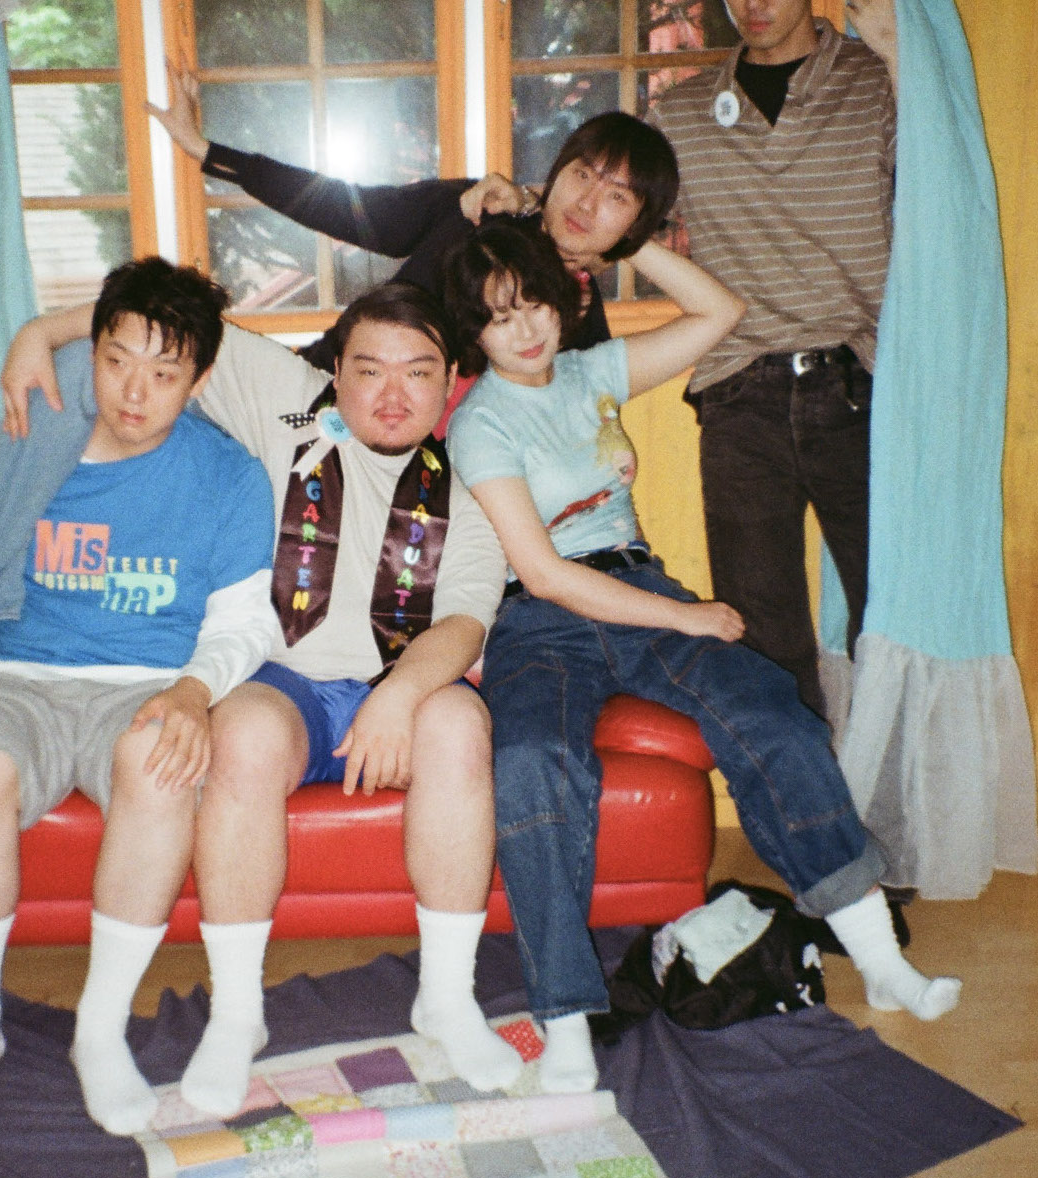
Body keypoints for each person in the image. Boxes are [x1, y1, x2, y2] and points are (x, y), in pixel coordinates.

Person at [441, 221, 960, 1093]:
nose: (524, 328)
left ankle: (878, 959)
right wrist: (686, 618)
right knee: (532, 761)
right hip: (539, 619)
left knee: (770, 714)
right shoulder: (480, 422)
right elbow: (545, 572)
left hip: (637, 587)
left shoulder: (592, 373)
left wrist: (623, 242)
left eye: (534, 303)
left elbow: (720, 311)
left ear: (562, 299)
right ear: (474, 333)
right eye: (498, 317)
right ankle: (565, 1018)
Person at [0, 280, 521, 1117]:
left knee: (459, 724)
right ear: (334, 374)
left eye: (417, 372)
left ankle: (447, 999)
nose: (391, 394)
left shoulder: (474, 485)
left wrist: (398, 696)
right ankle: (239, 1012)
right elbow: (163, 317)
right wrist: (40, 329)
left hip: (403, 680)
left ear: (450, 380)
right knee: (239, 737)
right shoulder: (287, 403)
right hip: (284, 681)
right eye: (369, 370)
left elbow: (463, 623)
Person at [0, 257, 280, 1139]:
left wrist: (192, 692)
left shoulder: (228, 474)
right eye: (116, 361)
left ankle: (100, 1027)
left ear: (199, 380)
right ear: (90, 352)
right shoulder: (40, 435)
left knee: (160, 767)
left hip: (144, 684)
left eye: (163, 373)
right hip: (17, 672)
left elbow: (246, 622)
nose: (133, 392)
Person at [461, 0, 899, 717]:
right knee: (762, 637)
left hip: (861, 379)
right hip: (739, 389)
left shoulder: (874, 75)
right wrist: (535, 204)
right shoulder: (687, 110)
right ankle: (799, 780)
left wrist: (897, 55)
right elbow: (609, 195)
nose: (754, 5)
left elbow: (936, 188)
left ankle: (890, 781)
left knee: (891, 612)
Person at [139, 67, 677, 376]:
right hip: (321, 386)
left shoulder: (579, 321)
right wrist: (208, 153)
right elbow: (343, 205)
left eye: (617, 197)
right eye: (582, 175)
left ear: (636, 224)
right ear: (558, 172)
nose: (587, 203)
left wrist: (614, 248)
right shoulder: (478, 209)